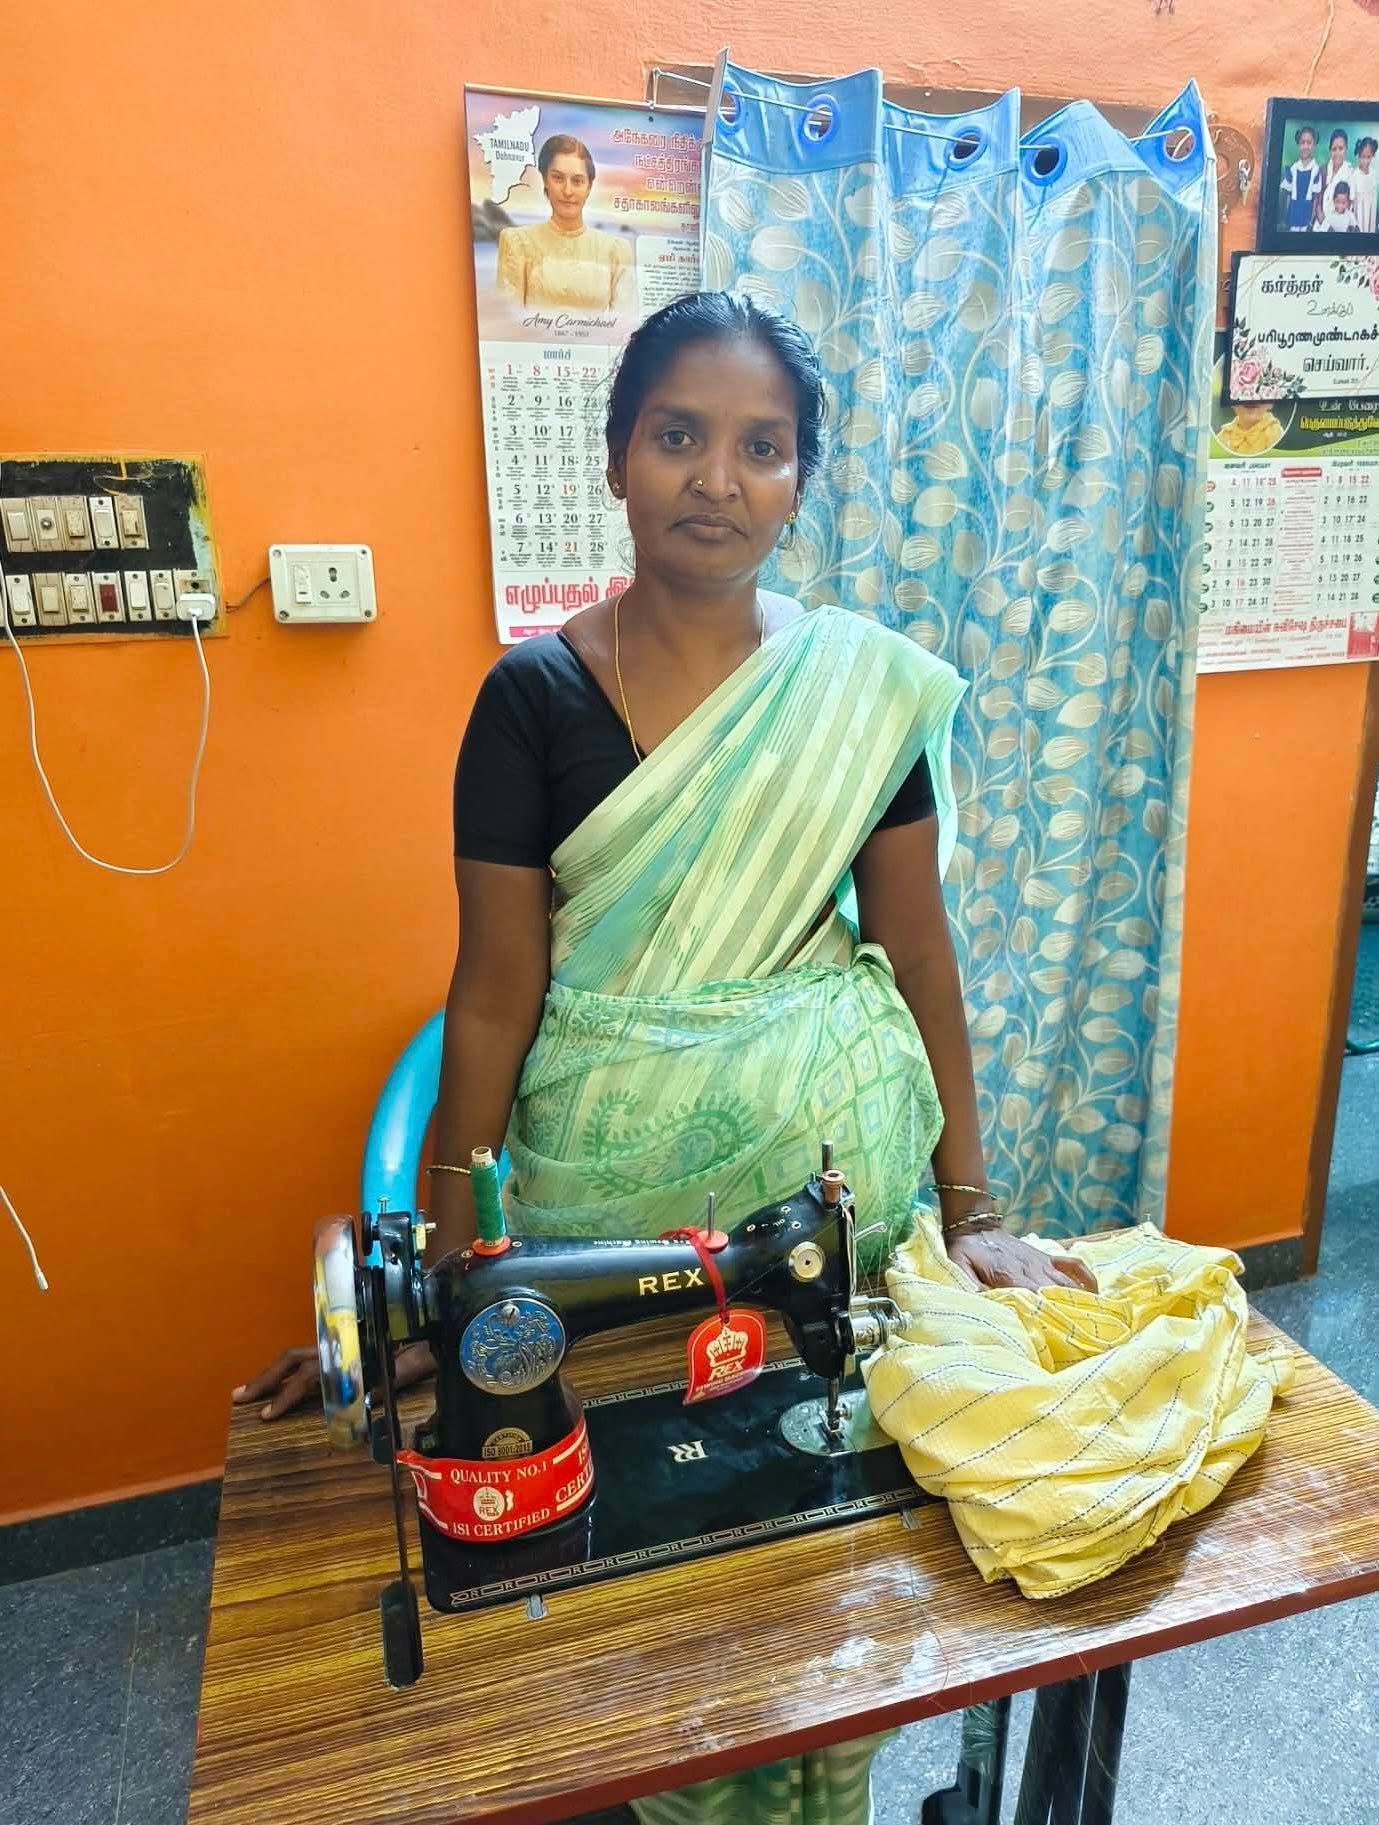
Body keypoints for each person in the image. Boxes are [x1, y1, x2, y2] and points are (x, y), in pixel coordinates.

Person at [238, 290, 1097, 1825]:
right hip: (606, 1214)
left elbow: (918, 953)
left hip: (832, 1196)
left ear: (798, 476)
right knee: (644, 1622)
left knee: (828, 1581)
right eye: (679, 437)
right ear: (617, 462)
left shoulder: (863, 690)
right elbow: (494, 999)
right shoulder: (533, 700)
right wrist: (449, 1284)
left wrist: (971, 1214)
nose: (718, 478)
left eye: (760, 447)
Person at [496, 132, 633, 313]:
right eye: (558, 178)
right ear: (545, 180)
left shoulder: (616, 251)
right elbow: (507, 324)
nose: (567, 191)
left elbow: (626, 329)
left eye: (577, 181)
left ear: (589, 187)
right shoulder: (517, 242)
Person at [1279, 124, 1322, 231]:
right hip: (1294, 211)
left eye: (1309, 142)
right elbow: (1288, 195)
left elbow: (1315, 198)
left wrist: (1311, 219)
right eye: (1303, 142)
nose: (1306, 146)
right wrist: (1287, 216)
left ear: (1314, 145)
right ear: (1298, 144)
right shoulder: (1293, 169)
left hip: (1306, 212)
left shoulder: (1315, 169)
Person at [1316, 128, 1356, 226]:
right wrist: (1323, 222)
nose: (1337, 153)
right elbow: (1317, 200)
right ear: (1330, 150)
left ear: (1346, 149)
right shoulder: (1323, 170)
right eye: (1334, 149)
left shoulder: (1350, 172)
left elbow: (1350, 204)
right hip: (1321, 221)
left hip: (1340, 223)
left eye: (1341, 148)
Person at [1216, 400, 1284, 455]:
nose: (1251, 400)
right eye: (1242, 393)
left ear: (1270, 404)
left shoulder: (1274, 432)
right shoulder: (1224, 435)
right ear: (1233, 403)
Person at [1351, 136, 1377, 234]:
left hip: (1371, 209)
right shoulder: (1355, 174)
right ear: (1358, 155)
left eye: (1368, 157)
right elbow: (1352, 199)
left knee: (1370, 230)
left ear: (1373, 155)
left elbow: (1374, 195)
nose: (1365, 161)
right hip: (1359, 212)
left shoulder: (1373, 173)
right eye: (1363, 157)